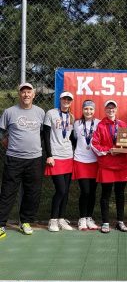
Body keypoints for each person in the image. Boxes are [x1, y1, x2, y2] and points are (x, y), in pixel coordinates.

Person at [0, 82, 45, 238]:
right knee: (7, 192)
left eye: (29, 92)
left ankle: (25, 221)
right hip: (14, 159)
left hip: (35, 159)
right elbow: (1, 131)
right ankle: (1, 224)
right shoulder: (9, 112)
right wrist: (5, 142)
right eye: (23, 92)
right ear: (19, 94)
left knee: (32, 192)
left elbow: (42, 134)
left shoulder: (40, 112)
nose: (26, 94)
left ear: (33, 95)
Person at [91, 100, 127, 233]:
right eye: (108, 108)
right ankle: (105, 222)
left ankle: (120, 222)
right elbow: (94, 144)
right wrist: (109, 150)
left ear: (116, 109)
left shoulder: (123, 124)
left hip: (122, 165)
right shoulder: (100, 125)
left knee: (120, 194)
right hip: (107, 165)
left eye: (113, 108)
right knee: (106, 194)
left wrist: (125, 149)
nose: (111, 110)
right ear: (105, 110)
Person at [44, 91, 75, 232]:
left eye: (69, 99)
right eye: (64, 98)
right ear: (60, 99)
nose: (66, 101)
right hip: (55, 156)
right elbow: (45, 134)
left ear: (71, 101)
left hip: (68, 155)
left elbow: (72, 138)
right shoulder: (51, 113)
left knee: (66, 190)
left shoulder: (72, 117)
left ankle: (61, 219)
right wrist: (49, 155)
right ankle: (53, 220)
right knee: (60, 189)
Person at [72, 100, 100, 231]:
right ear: (82, 110)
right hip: (80, 160)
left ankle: (89, 217)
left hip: (95, 161)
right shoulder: (77, 124)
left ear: (94, 110)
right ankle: (82, 218)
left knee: (93, 192)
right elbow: (74, 140)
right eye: (86, 109)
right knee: (85, 191)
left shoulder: (99, 123)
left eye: (91, 109)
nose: (88, 111)